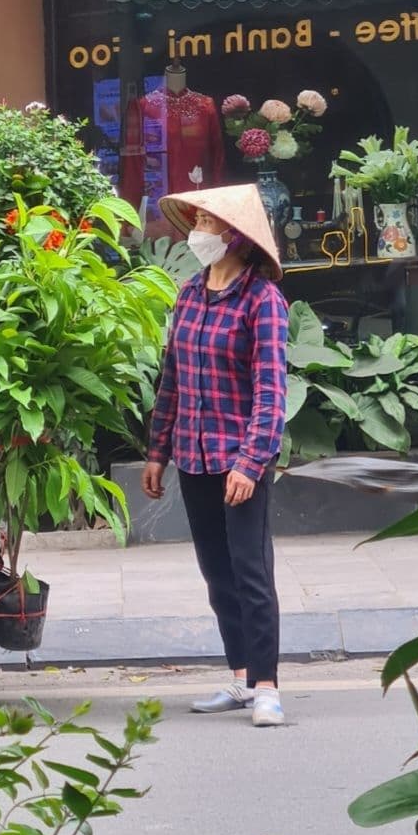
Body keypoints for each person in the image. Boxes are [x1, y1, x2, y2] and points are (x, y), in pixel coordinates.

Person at [141, 184, 289, 728]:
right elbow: (172, 382)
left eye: (207, 221)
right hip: (193, 456)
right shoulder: (188, 294)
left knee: (251, 570)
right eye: (197, 220)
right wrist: (158, 453)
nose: (197, 230)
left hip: (239, 458)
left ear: (236, 238)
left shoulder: (262, 299)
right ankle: (241, 675)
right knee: (216, 573)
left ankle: (268, 686)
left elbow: (272, 391)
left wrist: (251, 464)